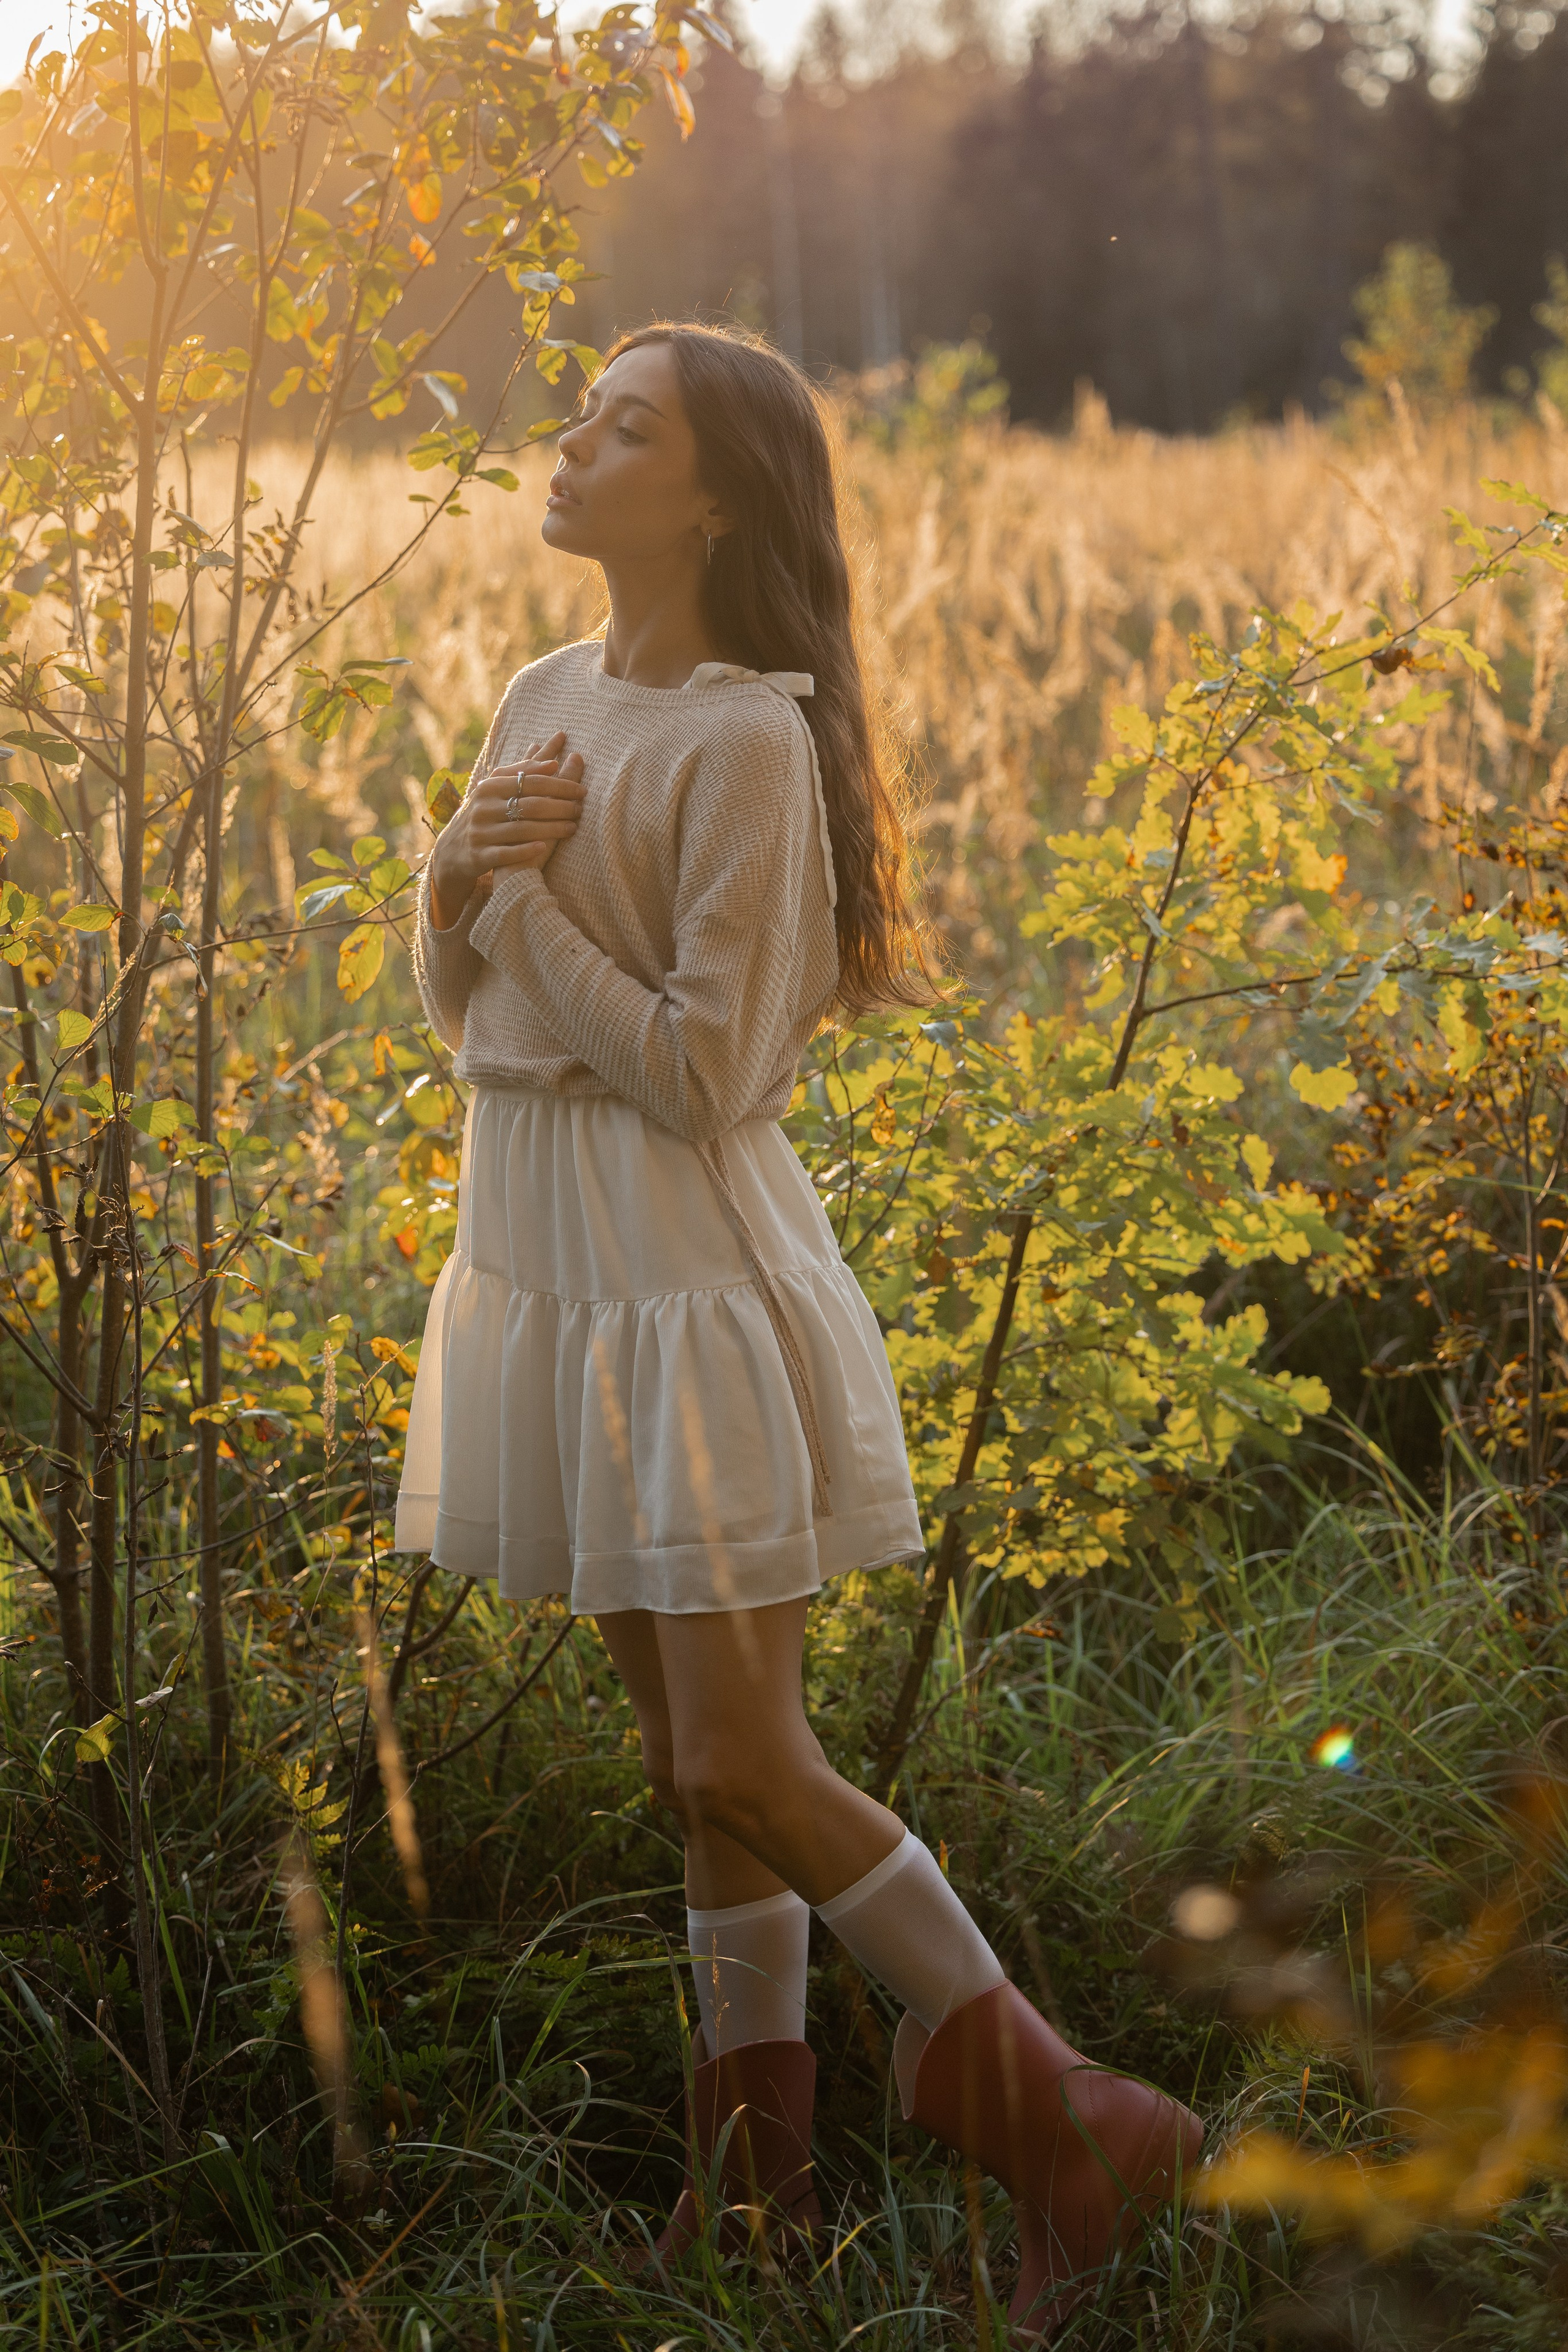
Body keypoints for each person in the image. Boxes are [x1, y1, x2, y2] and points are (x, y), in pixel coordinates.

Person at [393, 321, 1200, 2335]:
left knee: (747, 1756)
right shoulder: (543, 692)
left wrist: (519, 905)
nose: (571, 445)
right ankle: (760, 2193)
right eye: (580, 414)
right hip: (554, 1271)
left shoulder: (749, 743)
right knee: (691, 1772)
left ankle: (1081, 2125)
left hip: (682, 1280)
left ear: (718, 500)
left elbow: (706, 1074)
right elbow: (463, 1011)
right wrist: (450, 880)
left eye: (625, 429)